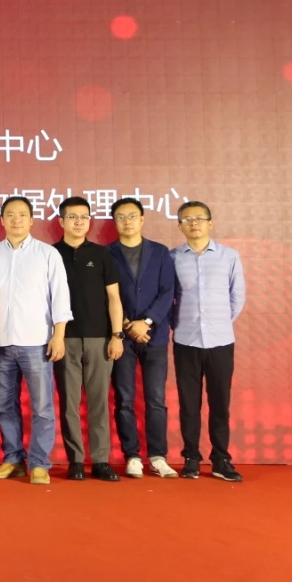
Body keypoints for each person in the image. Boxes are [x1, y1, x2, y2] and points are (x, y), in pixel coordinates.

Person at [0, 196, 72, 486]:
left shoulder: (47, 254)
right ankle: (13, 459)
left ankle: (39, 463)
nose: (16, 220)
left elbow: (60, 296)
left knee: (42, 408)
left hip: (37, 342)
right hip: (1, 342)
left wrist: (59, 335)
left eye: (22, 214)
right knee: (4, 406)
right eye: (10, 215)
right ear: (2, 220)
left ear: (32, 220)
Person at [171, 201, 246, 481]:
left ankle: (221, 459)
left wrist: (219, 322)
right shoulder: (172, 258)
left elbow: (237, 297)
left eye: (199, 219)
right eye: (187, 219)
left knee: (220, 402)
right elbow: (169, 298)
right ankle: (191, 457)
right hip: (186, 341)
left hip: (220, 341)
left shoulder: (229, 256)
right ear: (180, 226)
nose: (194, 224)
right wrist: (178, 325)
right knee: (189, 404)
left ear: (210, 223)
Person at [53, 196, 125, 482]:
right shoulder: (50, 254)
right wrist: (55, 336)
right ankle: (75, 460)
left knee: (98, 402)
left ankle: (101, 460)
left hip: (99, 338)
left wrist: (117, 335)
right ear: (61, 221)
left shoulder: (102, 254)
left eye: (84, 217)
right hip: (64, 338)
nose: (79, 222)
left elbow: (114, 298)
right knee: (69, 403)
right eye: (72, 217)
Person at [107, 197, 177, 478]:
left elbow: (168, 291)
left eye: (132, 216)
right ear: (115, 222)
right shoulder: (107, 253)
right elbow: (105, 294)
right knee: (124, 398)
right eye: (121, 217)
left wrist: (146, 322)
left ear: (142, 219)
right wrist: (126, 324)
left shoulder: (160, 252)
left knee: (156, 399)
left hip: (154, 335)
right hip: (121, 336)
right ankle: (132, 455)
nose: (127, 221)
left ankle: (158, 456)